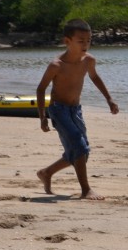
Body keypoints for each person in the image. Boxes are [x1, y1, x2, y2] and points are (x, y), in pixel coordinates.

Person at [36, 19, 119, 200]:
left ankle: (47, 172)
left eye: (89, 40)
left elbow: (95, 77)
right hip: (58, 110)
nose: (86, 44)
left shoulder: (88, 61)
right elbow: (41, 88)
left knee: (80, 152)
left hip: (75, 110)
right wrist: (42, 117)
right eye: (81, 41)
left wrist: (109, 99)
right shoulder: (56, 65)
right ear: (67, 41)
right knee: (78, 145)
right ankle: (85, 190)